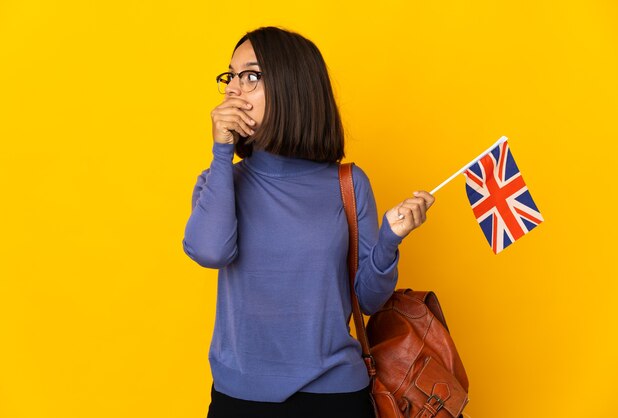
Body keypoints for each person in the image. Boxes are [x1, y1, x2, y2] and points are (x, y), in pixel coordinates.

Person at [183, 26, 435, 418]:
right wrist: (221, 151)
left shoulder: (348, 184)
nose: (233, 88)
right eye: (229, 76)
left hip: (334, 397)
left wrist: (389, 239)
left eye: (250, 76)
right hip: (238, 398)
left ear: (291, 86)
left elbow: (369, 300)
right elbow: (211, 251)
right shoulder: (222, 181)